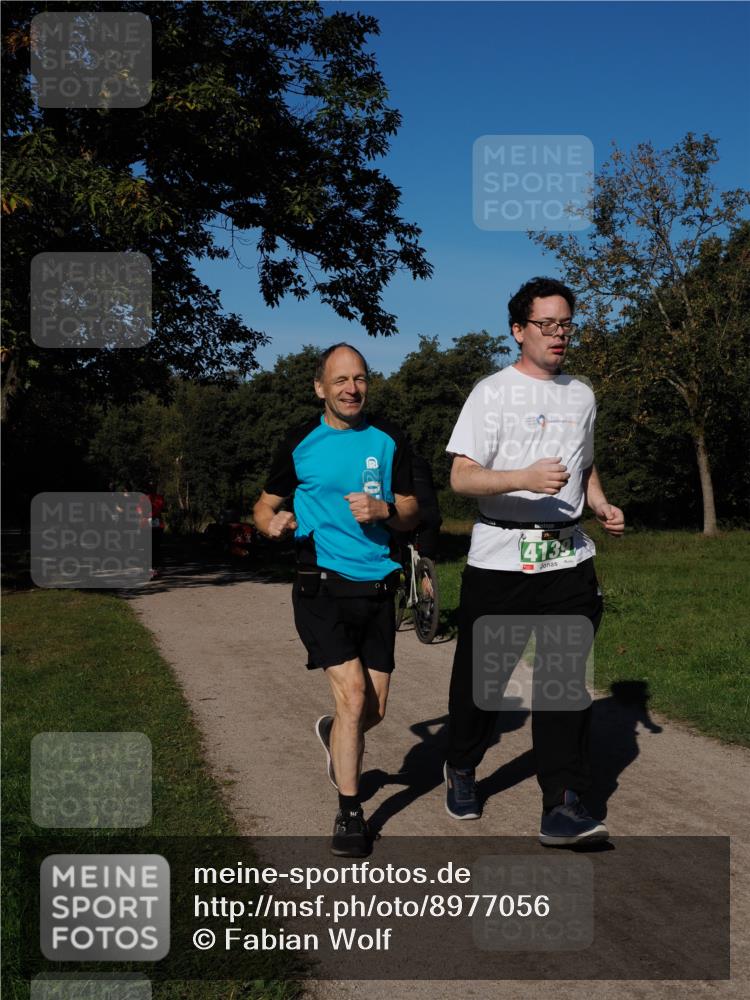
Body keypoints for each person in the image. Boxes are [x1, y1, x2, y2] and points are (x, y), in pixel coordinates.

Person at [444, 276, 625, 846]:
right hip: (500, 556)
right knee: (485, 682)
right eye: (546, 324)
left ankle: (562, 803)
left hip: (567, 557)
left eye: (566, 323)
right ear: (518, 330)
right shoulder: (491, 392)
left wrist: (598, 503)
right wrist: (522, 478)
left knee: (562, 681)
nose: (558, 334)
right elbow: (460, 476)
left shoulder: (582, 393)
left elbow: (584, 461)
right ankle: (462, 764)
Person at [253, 344, 419, 857]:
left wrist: (384, 508)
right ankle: (351, 813)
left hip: (378, 586)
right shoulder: (300, 442)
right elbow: (264, 506)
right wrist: (272, 525)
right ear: (320, 388)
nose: (352, 389)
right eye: (341, 380)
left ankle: (335, 735)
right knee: (352, 698)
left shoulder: (389, 439)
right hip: (320, 584)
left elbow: (413, 512)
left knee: (375, 708)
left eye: (361, 379)